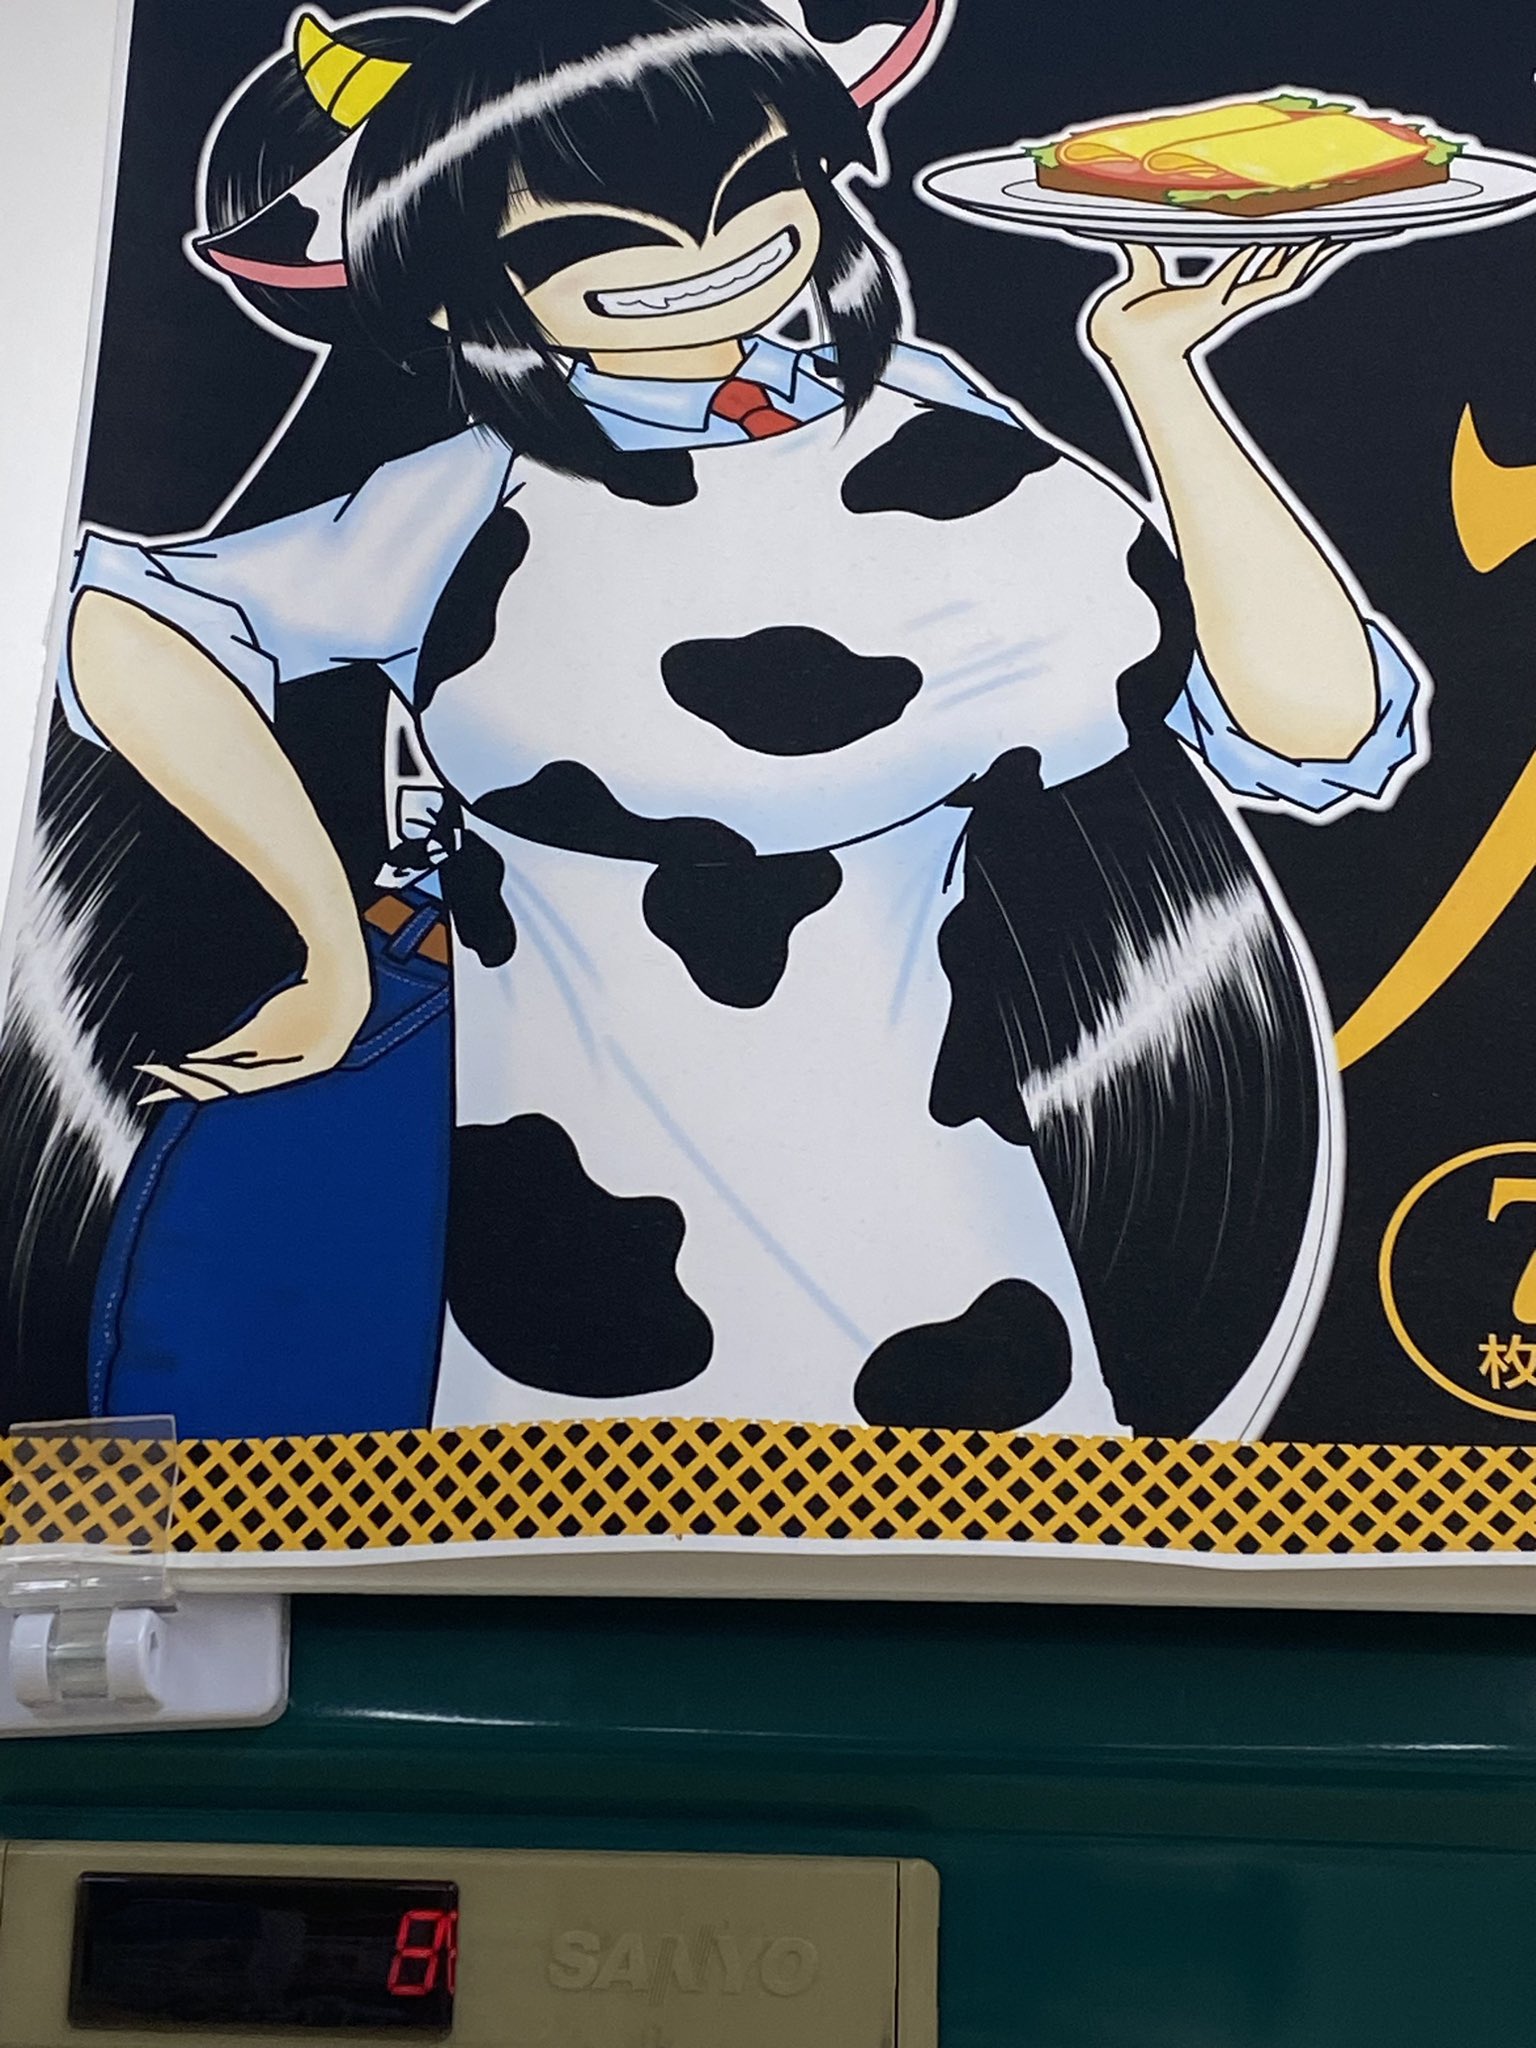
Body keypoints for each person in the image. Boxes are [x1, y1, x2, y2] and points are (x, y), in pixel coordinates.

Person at [59, 0, 1424, 1442]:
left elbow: (1306, 728)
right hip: (566, 1253)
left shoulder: (922, 420)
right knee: (549, 1544)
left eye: (748, 186)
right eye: (598, 237)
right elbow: (123, 621)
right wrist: (328, 946)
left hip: (934, 1225)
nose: (704, 254)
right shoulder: (468, 492)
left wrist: (1157, 372)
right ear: (458, 293)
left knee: (1001, 1533)